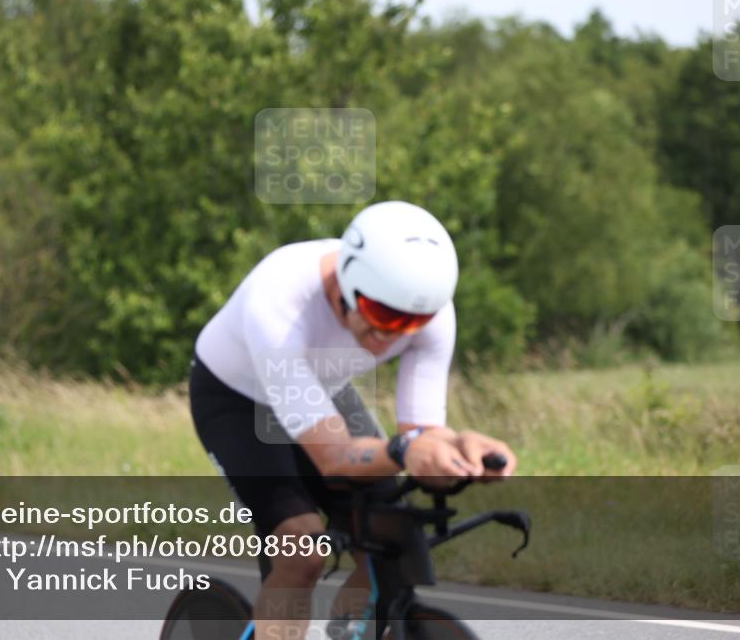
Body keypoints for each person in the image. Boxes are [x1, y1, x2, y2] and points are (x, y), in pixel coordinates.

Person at [189, 200, 517, 640]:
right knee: (301, 549)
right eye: (384, 316)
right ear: (346, 287)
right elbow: (336, 457)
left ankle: (348, 631)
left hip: (319, 391)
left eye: (414, 323)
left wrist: (459, 452)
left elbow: (420, 436)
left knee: (391, 532)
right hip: (237, 399)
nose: (395, 335)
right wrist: (407, 450)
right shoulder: (281, 299)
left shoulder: (430, 314)